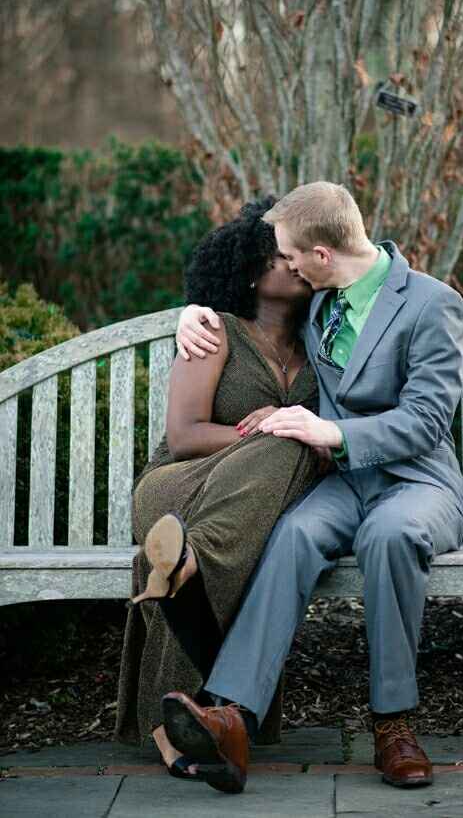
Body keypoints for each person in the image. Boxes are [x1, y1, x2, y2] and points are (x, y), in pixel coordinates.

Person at [169, 181, 463, 795]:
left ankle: (394, 724)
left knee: (390, 534)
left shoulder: (431, 304)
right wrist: (191, 312)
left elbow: (427, 420)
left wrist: (329, 429)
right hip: (346, 483)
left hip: (419, 482)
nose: (282, 264)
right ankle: (233, 715)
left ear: (322, 255)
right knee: (294, 532)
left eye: (288, 254)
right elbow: (241, 294)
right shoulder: (317, 301)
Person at [113, 197, 322, 780]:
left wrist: (288, 431)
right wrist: (260, 433)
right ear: (253, 271)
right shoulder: (214, 330)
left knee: (291, 440)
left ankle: (184, 571)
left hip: (247, 507)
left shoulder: (324, 347)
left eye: (305, 254)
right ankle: (189, 559)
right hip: (177, 492)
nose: (300, 264)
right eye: (285, 257)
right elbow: (182, 437)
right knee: (288, 439)